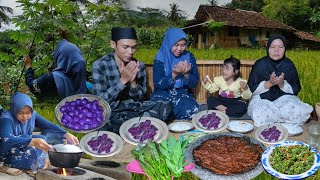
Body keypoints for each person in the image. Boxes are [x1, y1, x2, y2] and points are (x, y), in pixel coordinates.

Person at [92, 27, 171, 134]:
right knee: (100, 122)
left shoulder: (139, 65)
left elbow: (140, 98)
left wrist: (133, 83)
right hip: (112, 111)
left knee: (165, 105)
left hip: (134, 109)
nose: (130, 52)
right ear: (113, 44)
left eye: (134, 47)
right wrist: (122, 81)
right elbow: (99, 102)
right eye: (125, 47)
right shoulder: (100, 65)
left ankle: (131, 126)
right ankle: (137, 125)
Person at [0, 92, 79, 175]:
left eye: (28, 113)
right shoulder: (6, 118)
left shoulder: (33, 115)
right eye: (21, 113)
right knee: (33, 157)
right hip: (6, 150)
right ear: (14, 110)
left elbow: (48, 125)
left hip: (21, 144)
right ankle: (5, 165)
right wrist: (32, 141)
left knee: (42, 139)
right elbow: (7, 140)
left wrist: (66, 134)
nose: (25, 117)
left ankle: (33, 163)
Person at [247, 34, 313, 127]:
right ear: (268, 49)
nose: (276, 50)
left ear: (285, 49)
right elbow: (250, 88)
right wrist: (269, 83)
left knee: (300, 110)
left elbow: (296, 88)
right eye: (273, 47)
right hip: (262, 100)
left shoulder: (289, 65)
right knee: (259, 113)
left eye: (280, 47)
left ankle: (273, 119)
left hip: (284, 99)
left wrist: (282, 85)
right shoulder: (260, 64)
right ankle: (284, 120)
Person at [150, 28, 199, 120]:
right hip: (163, 93)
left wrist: (187, 74)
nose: (180, 49)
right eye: (176, 45)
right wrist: (173, 75)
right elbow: (157, 85)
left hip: (182, 94)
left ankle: (167, 117)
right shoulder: (160, 59)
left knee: (192, 109)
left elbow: (194, 83)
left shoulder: (189, 57)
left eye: (183, 45)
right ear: (169, 43)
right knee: (159, 108)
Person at [24, 29, 87, 100]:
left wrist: (28, 66)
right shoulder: (83, 83)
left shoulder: (52, 79)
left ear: (59, 56)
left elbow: (32, 86)